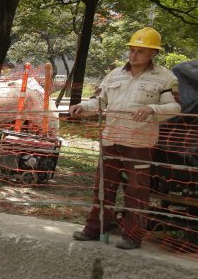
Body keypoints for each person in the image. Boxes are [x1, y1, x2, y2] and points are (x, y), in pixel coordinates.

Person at [69, 26, 180, 249]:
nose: (133, 54)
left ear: (153, 54)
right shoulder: (114, 74)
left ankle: (132, 236)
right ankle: (95, 228)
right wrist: (83, 106)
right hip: (110, 139)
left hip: (139, 143)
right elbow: (100, 102)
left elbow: (175, 107)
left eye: (140, 51)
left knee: (136, 191)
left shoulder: (165, 78)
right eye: (132, 50)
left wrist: (152, 109)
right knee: (103, 188)